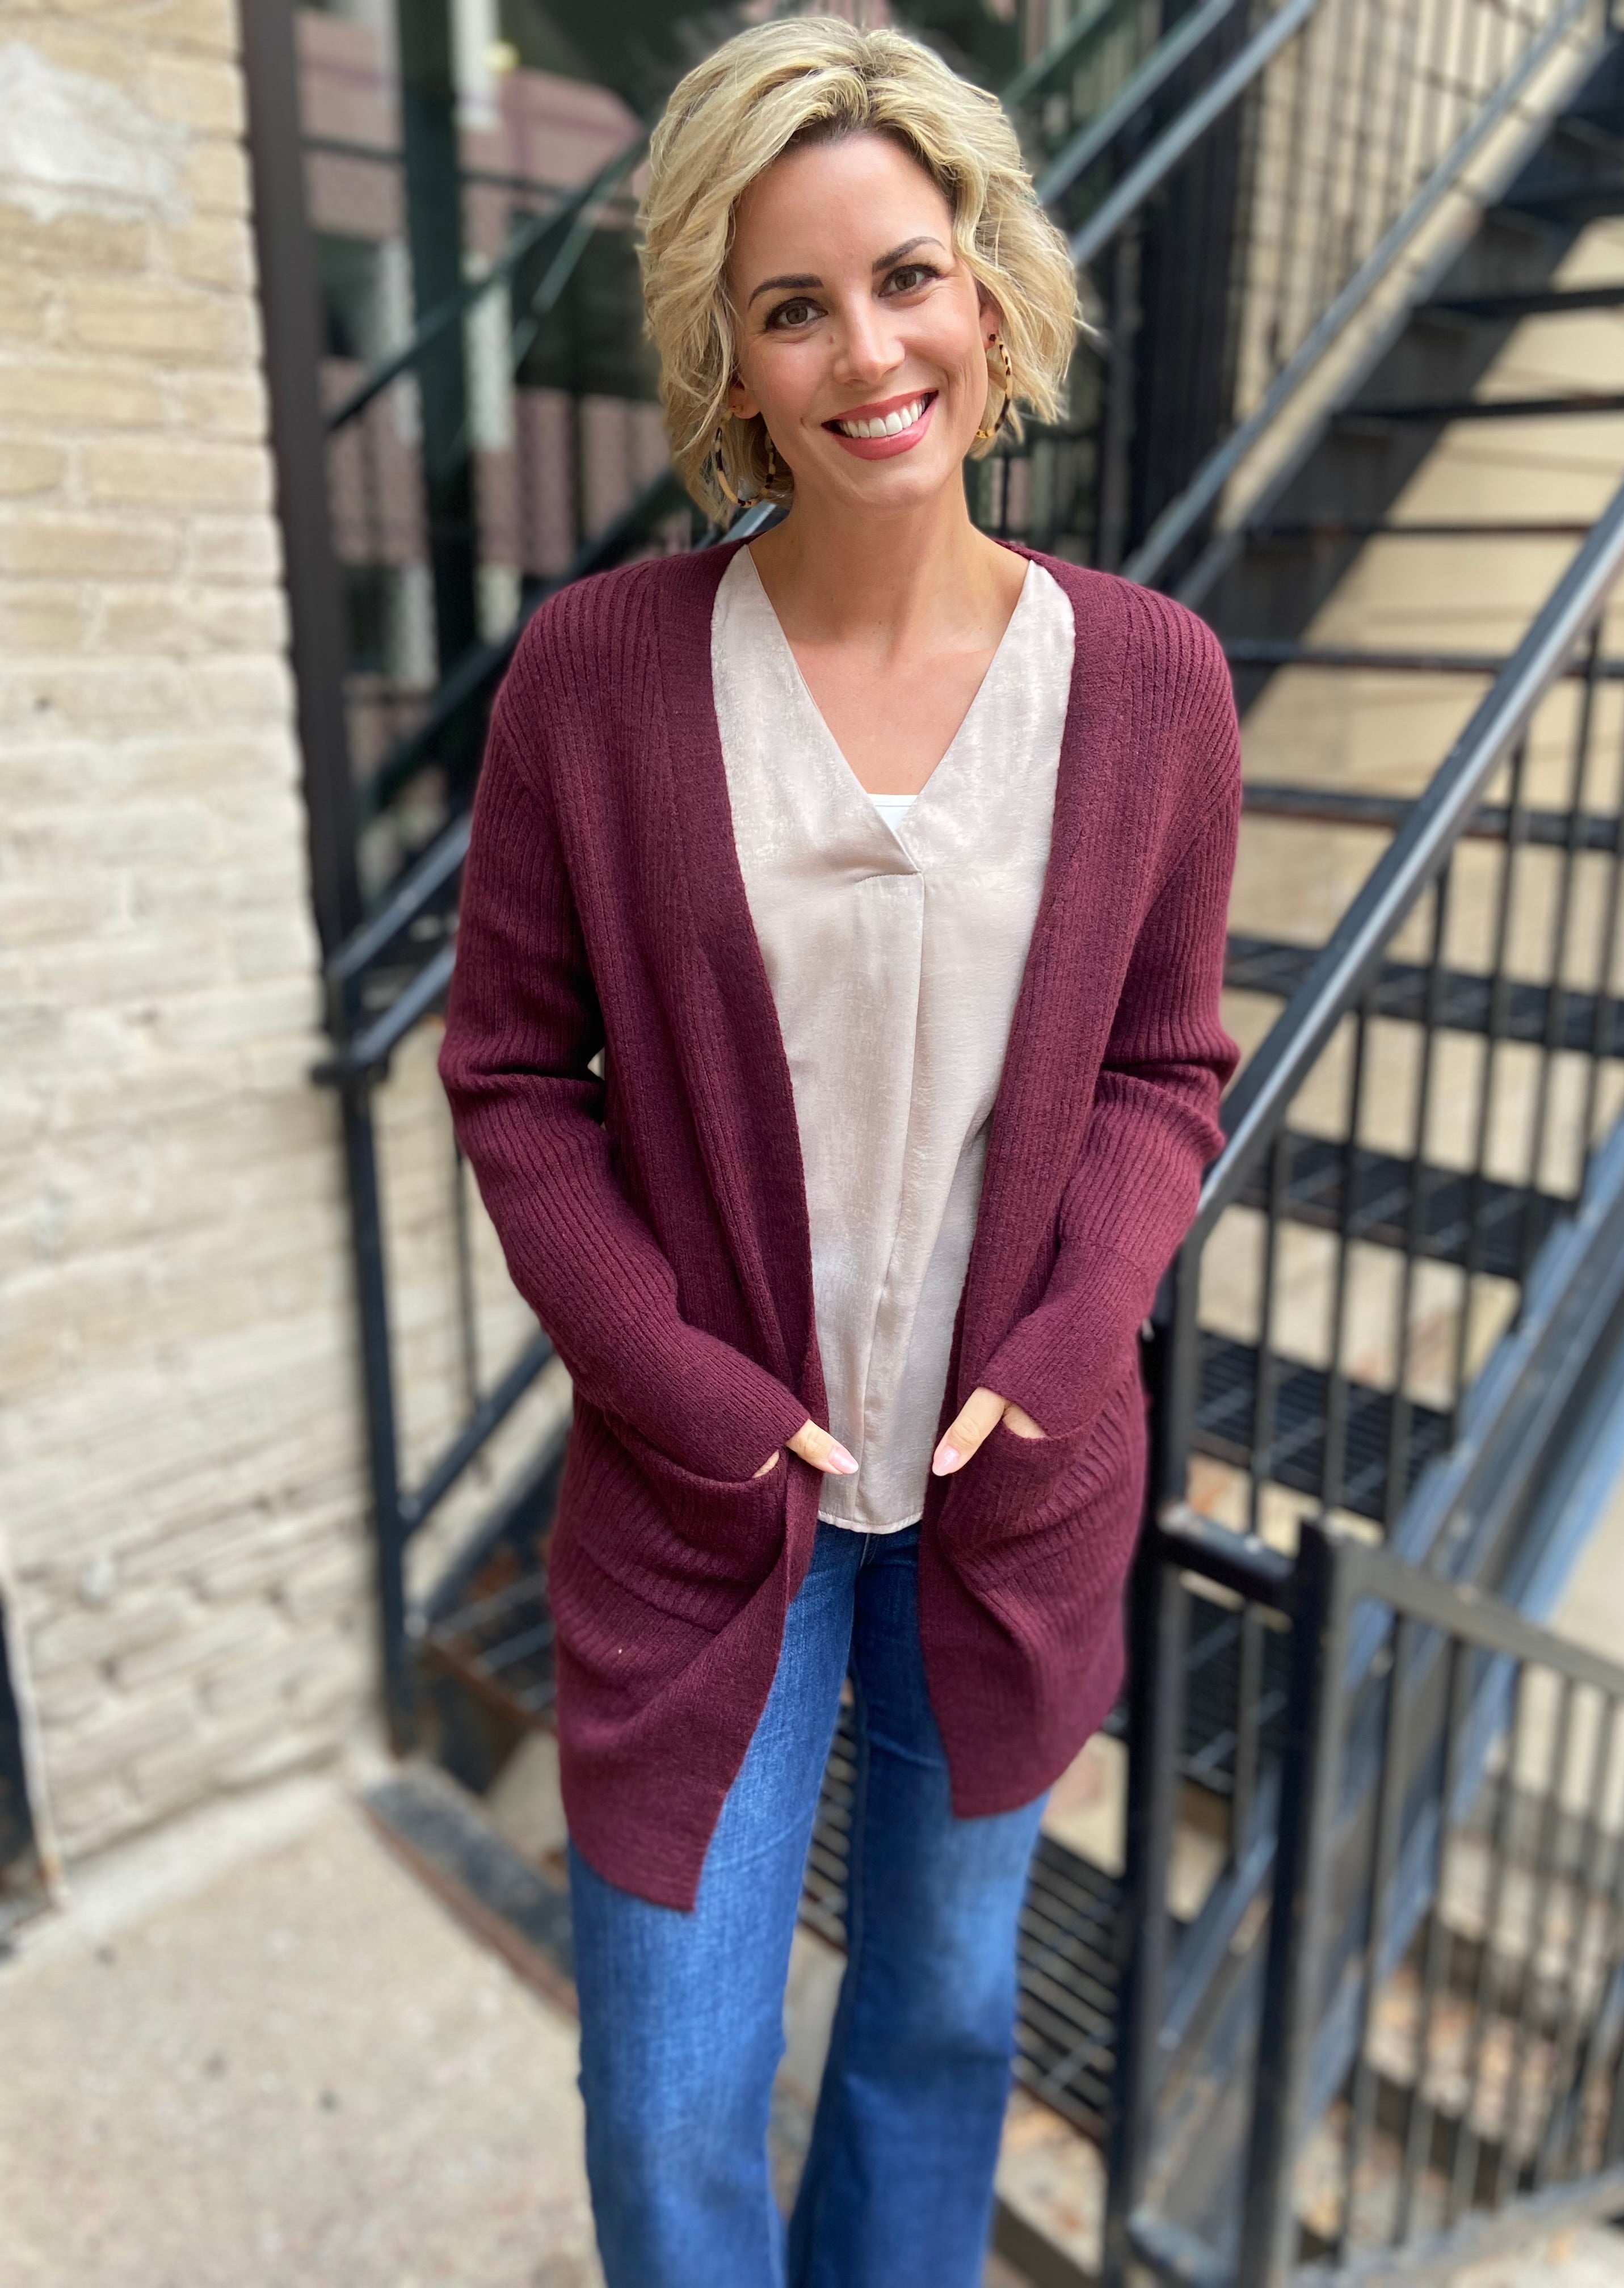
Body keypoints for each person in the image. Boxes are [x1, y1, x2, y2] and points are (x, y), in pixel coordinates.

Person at [436, 18, 1241, 2286]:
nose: (868, 352)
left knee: (934, 2032)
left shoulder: (1156, 685)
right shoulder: (596, 679)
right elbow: (513, 1077)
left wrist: (1085, 1332)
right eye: (794, 305)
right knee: (670, 2090)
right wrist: (680, 1379)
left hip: (1017, 1495)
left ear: (986, 283)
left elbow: (1171, 1068)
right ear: (730, 352)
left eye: (907, 275)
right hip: (712, 1516)